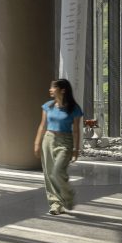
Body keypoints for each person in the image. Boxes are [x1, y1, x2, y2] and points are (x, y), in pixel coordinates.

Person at [33, 78, 83, 215]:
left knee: (57, 171)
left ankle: (68, 196)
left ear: (62, 90)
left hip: (65, 141)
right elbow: (42, 125)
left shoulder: (74, 108)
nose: (50, 89)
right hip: (48, 139)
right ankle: (55, 204)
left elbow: (77, 130)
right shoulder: (47, 106)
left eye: (53, 87)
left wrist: (76, 149)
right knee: (49, 174)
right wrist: (37, 142)